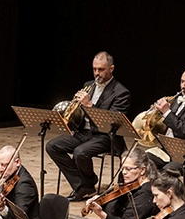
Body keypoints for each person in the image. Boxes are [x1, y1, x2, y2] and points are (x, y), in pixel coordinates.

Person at [47, 51, 131, 201]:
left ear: (111, 69)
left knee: (80, 152)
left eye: (101, 69)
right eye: (94, 69)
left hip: (105, 136)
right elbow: (79, 113)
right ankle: (83, 185)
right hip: (83, 133)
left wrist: (89, 105)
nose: (97, 73)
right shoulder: (89, 85)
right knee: (52, 146)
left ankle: (87, 184)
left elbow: (111, 123)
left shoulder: (121, 93)